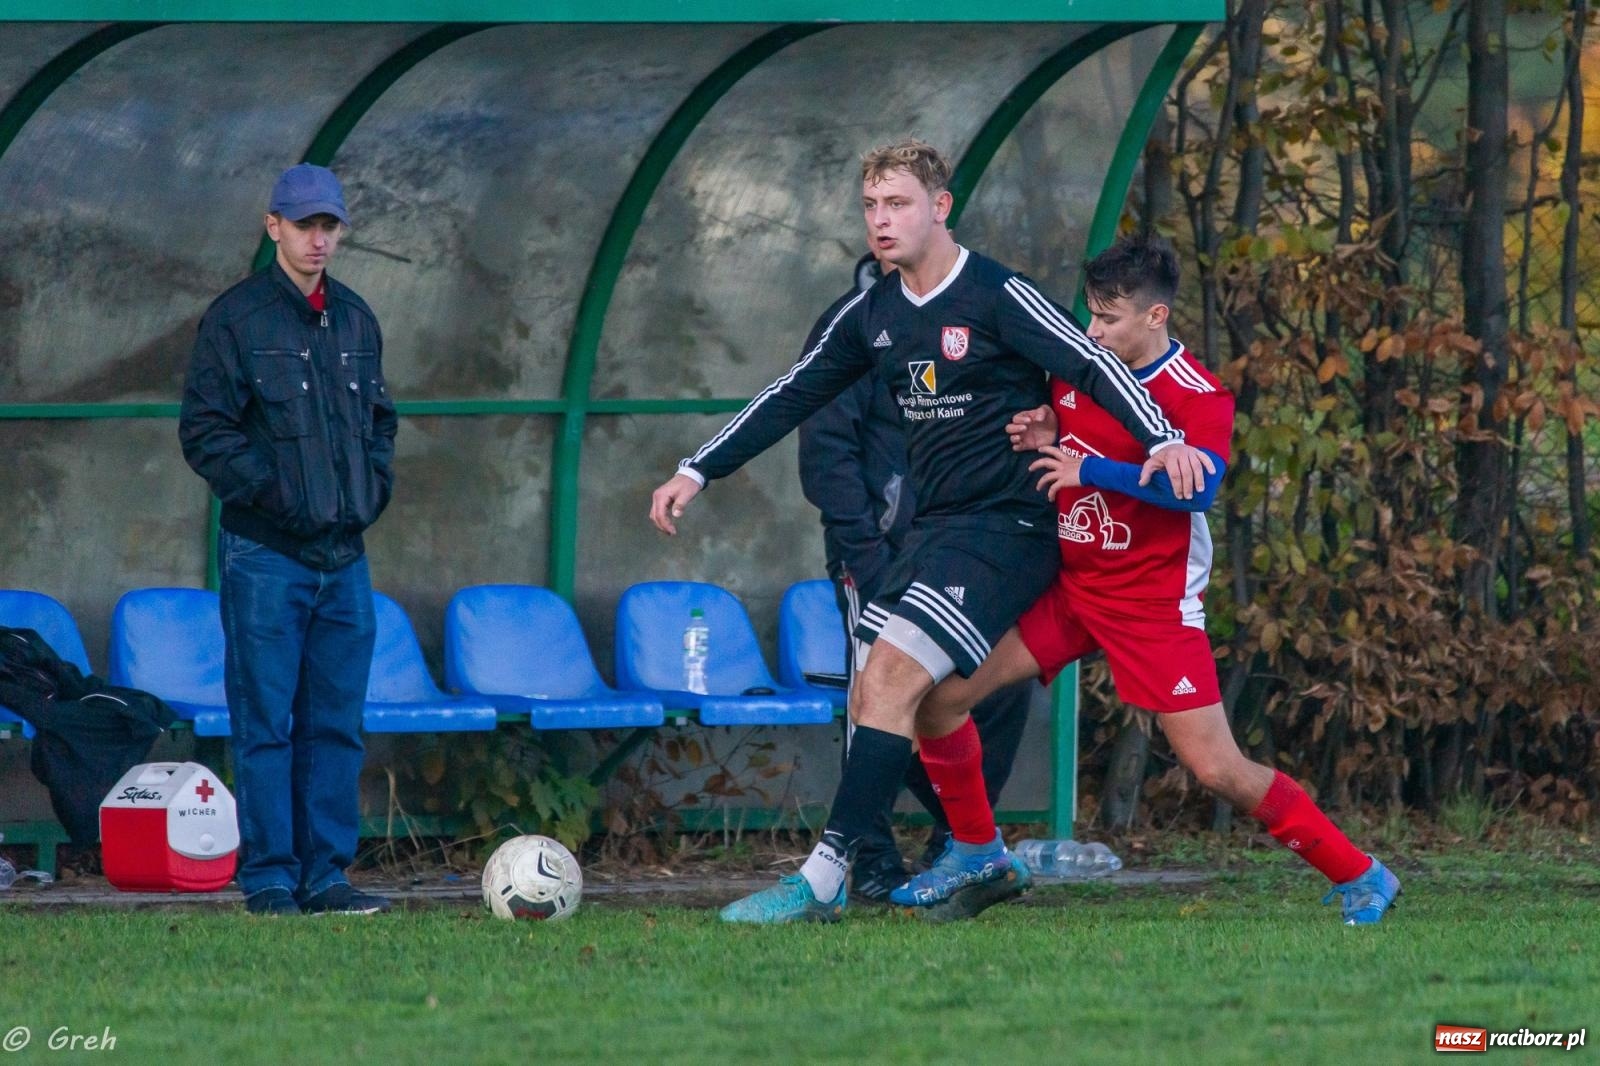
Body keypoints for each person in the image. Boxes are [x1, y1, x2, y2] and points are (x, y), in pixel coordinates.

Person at [649, 139, 1212, 924]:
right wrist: (696, 470)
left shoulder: (996, 294)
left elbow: (1092, 364)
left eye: (899, 204)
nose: (882, 221)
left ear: (940, 208)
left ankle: (825, 875)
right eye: (872, 207)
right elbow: (790, 394)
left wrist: (1161, 438)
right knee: (898, 692)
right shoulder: (872, 312)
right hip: (937, 529)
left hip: (1012, 526)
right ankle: (969, 851)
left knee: (891, 677)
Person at [899, 234, 1402, 925]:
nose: (1091, 331)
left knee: (1218, 770)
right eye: (1090, 316)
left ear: (1156, 317)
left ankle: (1362, 874)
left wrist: (1090, 472)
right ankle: (980, 851)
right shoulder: (1078, 366)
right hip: (1074, 592)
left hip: (1152, 608)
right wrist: (1045, 426)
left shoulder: (1197, 394)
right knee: (941, 700)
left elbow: (1197, 492)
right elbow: (1062, 425)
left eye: (1107, 319)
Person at [179, 163, 398, 916]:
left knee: (335, 723)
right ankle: (271, 876)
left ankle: (327, 875)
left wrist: (367, 494)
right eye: (304, 225)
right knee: (266, 721)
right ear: (273, 226)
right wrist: (282, 498)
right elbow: (204, 434)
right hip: (265, 554)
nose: (318, 239)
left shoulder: (358, 320)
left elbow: (379, 425)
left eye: (329, 225)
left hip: (344, 558)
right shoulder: (236, 319)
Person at [797, 250, 1032, 902]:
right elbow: (825, 453)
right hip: (874, 552)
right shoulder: (853, 325)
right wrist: (866, 556)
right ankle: (866, 859)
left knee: (1000, 689)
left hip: (956, 550)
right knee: (876, 691)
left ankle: (958, 841)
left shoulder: (973, 316)